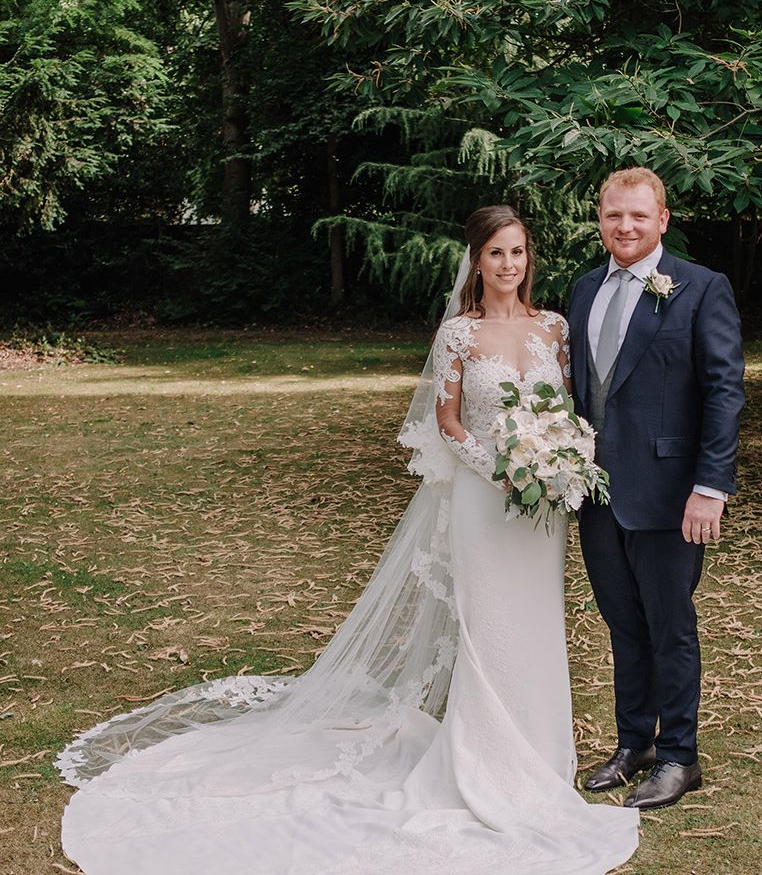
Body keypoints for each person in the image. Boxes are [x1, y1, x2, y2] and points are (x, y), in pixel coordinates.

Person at [58, 205, 639, 875]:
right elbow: (449, 421)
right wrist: (502, 470)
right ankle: (483, 766)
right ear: (476, 262)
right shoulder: (459, 333)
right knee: (489, 629)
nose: (509, 266)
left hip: (539, 514)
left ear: (528, 258)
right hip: (487, 503)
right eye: (496, 254)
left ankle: (541, 760)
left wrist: (562, 458)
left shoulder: (555, 328)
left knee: (537, 628)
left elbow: (563, 410)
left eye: (518, 253)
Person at [568, 167, 745, 811]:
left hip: (673, 493)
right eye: (614, 215)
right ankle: (633, 741)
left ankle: (679, 756)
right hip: (595, 493)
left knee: (670, 626)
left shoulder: (701, 288)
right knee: (622, 623)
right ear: (600, 220)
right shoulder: (584, 290)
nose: (626, 226)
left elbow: (724, 391)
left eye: (639, 216)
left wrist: (711, 486)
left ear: (662, 219)